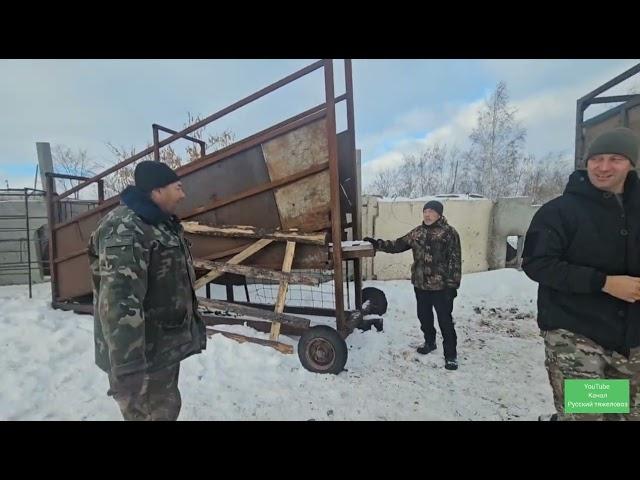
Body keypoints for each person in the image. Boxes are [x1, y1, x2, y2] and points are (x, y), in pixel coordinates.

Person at [522, 127, 640, 421]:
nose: (603, 167)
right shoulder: (560, 211)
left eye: (615, 159)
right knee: (588, 414)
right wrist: (604, 283)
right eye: (596, 159)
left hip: (632, 338)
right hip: (577, 332)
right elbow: (537, 262)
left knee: (622, 413)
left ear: (632, 164)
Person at [88, 160, 206, 421]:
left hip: (159, 348)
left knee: (164, 408)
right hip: (141, 356)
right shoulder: (126, 229)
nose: (183, 194)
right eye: (178, 187)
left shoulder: (158, 222)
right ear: (157, 191)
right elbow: (119, 299)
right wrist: (129, 367)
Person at [365, 200, 462, 370]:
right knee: (424, 317)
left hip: (441, 287)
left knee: (445, 321)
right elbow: (397, 245)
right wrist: (377, 244)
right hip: (421, 285)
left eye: (431, 211)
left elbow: (455, 260)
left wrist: (452, 286)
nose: (427, 214)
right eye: (425, 211)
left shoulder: (449, 233)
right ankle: (430, 342)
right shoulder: (417, 233)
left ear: (439, 214)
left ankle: (451, 355)